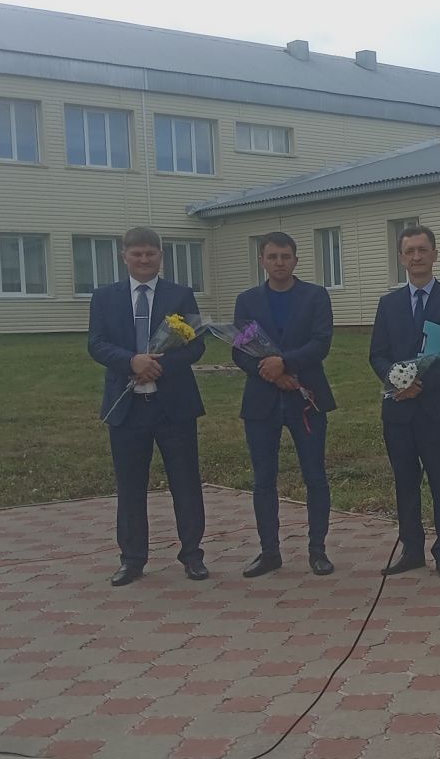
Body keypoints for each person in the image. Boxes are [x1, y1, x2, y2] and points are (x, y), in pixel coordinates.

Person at [86, 226, 208, 586]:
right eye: (136, 254)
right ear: (124, 256)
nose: (143, 260)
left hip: (174, 406)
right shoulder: (105, 297)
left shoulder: (180, 295)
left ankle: (192, 555)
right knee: (130, 487)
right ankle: (132, 558)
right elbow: (96, 343)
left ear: (160, 257)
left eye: (150, 254)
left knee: (185, 483)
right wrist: (131, 362)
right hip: (127, 406)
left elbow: (196, 345)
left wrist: (159, 365)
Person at [232, 231, 338, 579]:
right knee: (263, 479)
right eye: (272, 256)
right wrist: (273, 375)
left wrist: (286, 364)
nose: (279, 263)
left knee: (315, 476)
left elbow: (321, 343)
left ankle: (318, 550)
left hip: (306, 397)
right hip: (262, 400)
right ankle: (269, 552)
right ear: (262, 260)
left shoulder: (315, 296)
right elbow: (240, 350)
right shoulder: (247, 300)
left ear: (295, 260)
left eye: (285, 256)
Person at [369, 224, 440, 580]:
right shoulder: (389, 304)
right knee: (405, 482)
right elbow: (377, 354)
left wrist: (421, 385)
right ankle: (411, 550)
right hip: (398, 409)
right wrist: (399, 381)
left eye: (422, 250)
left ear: (434, 254)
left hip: (436, 408)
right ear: (401, 258)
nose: (416, 257)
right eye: (409, 251)